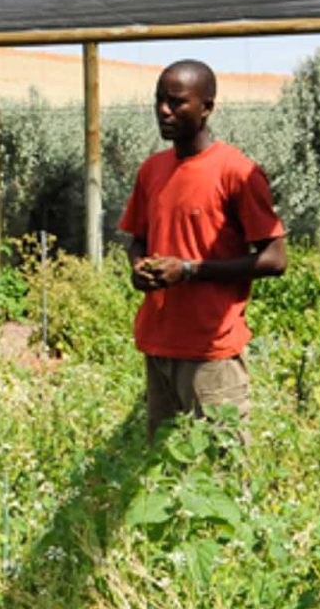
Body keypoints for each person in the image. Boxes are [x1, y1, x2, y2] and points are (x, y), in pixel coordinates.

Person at [119, 59, 288, 437]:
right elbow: (138, 241)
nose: (164, 111)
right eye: (159, 101)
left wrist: (191, 269)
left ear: (207, 107)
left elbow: (275, 259)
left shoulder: (237, 172)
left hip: (212, 354)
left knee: (220, 470)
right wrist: (138, 267)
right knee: (163, 471)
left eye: (176, 102)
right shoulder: (152, 171)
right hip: (159, 344)